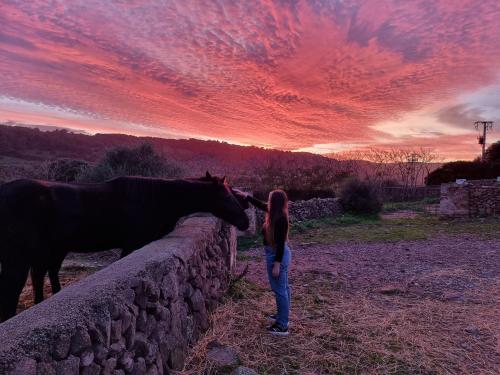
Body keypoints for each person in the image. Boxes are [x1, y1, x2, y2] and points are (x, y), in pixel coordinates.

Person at [241, 189, 292, 336]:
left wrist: (276, 264)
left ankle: (282, 325)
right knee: (284, 288)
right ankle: (283, 316)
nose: (267, 201)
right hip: (278, 254)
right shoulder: (275, 213)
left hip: (277, 255)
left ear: (274, 202)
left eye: (270, 199)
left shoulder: (281, 218)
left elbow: (281, 244)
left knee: (280, 290)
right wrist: (247, 197)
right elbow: (261, 205)